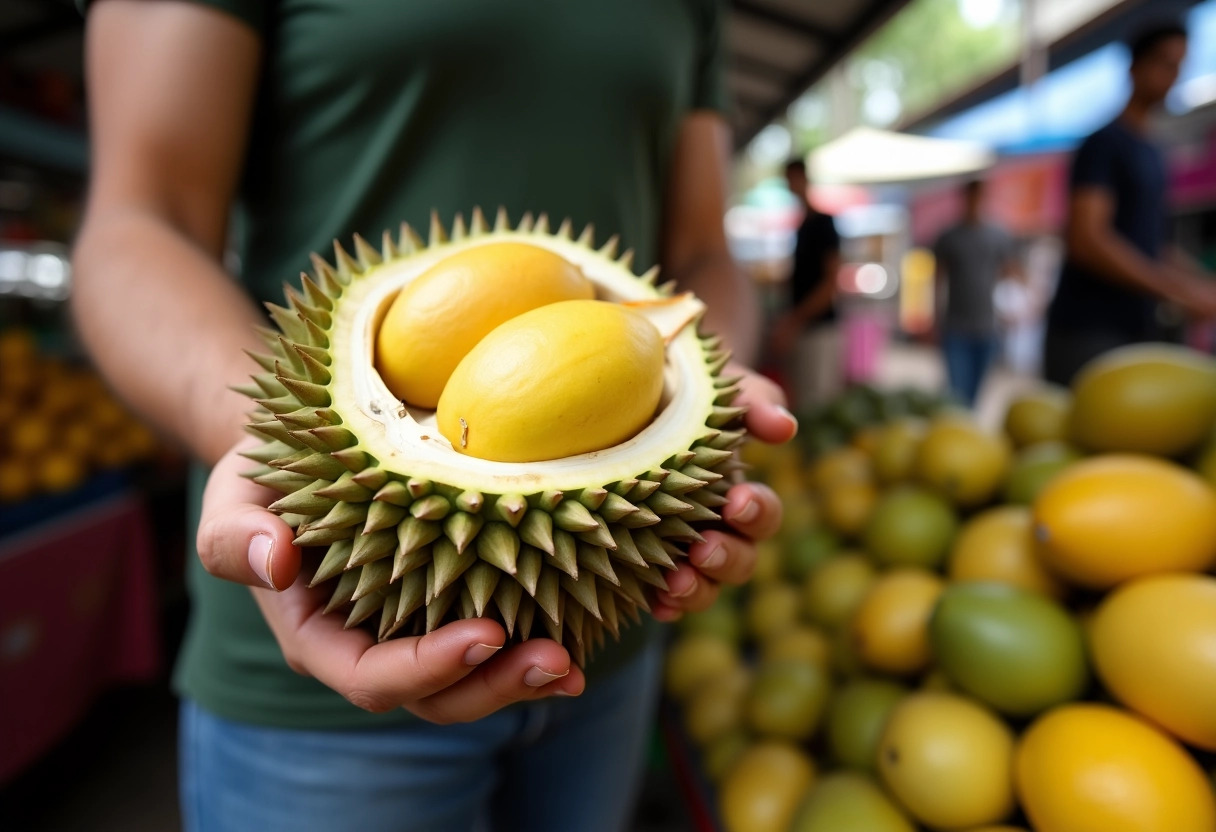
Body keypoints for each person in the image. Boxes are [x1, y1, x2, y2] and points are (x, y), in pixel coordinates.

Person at [70, 3, 795, 831]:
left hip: (605, 617)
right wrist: (262, 440)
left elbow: (704, 251)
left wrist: (713, 375)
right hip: (334, 611)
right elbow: (138, 221)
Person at [1044, 20, 1216, 384]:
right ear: (1135, 66)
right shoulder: (1104, 144)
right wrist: (1176, 293)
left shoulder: (1153, 152)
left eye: (1180, 66)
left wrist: (1200, 285)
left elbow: (1155, 246)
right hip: (1088, 330)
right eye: (1165, 63)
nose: (1173, 76)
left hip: (1135, 330)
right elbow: (1087, 240)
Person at [933, 179, 1022, 406]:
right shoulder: (949, 237)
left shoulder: (998, 235)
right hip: (955, 326)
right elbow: (937, 279)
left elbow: (1011, 273)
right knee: (957, 392)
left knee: (976, 393)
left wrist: (1012, 306)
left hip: (987, 327)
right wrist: (935, 318)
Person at [772, 158, 843, 411]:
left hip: (818, 327)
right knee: (803, 399)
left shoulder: (823, 223)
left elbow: (830, 283)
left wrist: (795, 320)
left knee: (817, 405)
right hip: (805, 326)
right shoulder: (803, 225)